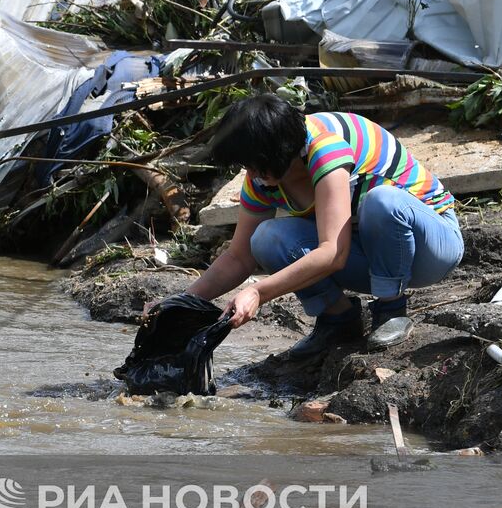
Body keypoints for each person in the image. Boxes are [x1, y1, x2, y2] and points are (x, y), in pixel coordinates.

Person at [181, 94, 463, 366]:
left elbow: (334, 253)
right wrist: (179, 303)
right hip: (369, 255)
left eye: (255, 165)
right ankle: (338, 319)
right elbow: (239, 257)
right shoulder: (263, 178)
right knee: (267, 237)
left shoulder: (327, 147)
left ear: (278, 151)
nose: (251, 175)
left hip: (431, 247)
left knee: (381, 201)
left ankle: (390, 309)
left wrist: (258, 293)